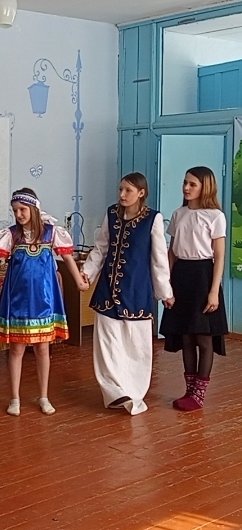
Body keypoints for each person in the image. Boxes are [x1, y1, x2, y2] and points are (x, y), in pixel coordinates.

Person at [0, 188, 85, 416]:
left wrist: (78, 281)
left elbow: (67, 258)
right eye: (15, 210)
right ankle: (15, 398)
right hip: (18, 300)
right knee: (16, 349)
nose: (18, 214)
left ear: (34, 209)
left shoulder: (51, 233)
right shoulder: (10, 235)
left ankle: (44, 396)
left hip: (44, 301)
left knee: (42, 349)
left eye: (22, 209)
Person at [81, 172, 174, 415]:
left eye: (128, 190)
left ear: (141, 193)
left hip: (137, 291)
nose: (122, 195)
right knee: (107, 345)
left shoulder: (153, 219)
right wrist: (86, 273)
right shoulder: (112, 214)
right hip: (107, 291)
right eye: (120, 189)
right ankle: (114, 392)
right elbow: (101, 248)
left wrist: (165, 292)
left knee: (136, 346)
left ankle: (134, 392)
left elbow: (159, 259)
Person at [159, 166, 228, 411]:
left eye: (192, 184)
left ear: (204, 187)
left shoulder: (215, 216)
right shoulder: (178, 214)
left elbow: (219, 256)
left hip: (203, 276)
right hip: (181, 275)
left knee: (203, 337)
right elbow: (172, 251)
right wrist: (166, 283)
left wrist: (213, 290)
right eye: (185, 183)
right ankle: (189, 390)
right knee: (186, 336)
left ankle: (199, 394)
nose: (186, 188)